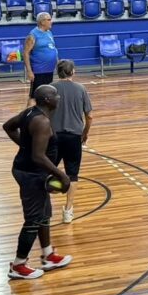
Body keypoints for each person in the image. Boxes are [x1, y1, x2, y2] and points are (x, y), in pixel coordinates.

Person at [2, 85, 73, 280]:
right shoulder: (41, 121)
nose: (58, 97)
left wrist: (24, 145)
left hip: (31, 171)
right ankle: (18, 265)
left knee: (44, 214)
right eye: (55, 95)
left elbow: (7, 126)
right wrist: (62, 176)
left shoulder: (29, 113)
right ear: (48, 100)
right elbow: (38, 156)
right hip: (31, 174)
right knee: (33, 219)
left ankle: (48, 255)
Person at [51, 59, 93, 224]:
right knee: (72, 174)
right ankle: (68, 211)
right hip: (74, 136)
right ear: (73, 72)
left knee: (48, 169)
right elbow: (89, 115)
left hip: (53, 136)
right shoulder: (81, 89)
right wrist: (85, 133)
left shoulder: (50, 88)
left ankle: (46, 200)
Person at [24, 12, 58, 103]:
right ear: (42, 22)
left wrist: (57, 63)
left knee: (47, 94)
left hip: (49, 70)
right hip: (39, 71)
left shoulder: (49, 33)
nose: (51, 22)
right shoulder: (32, 36)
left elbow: (53, 48)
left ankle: (43, 115)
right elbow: (26, 53)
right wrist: (29, 71)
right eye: (49, 20)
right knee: (34, 96)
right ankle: (27, 116)